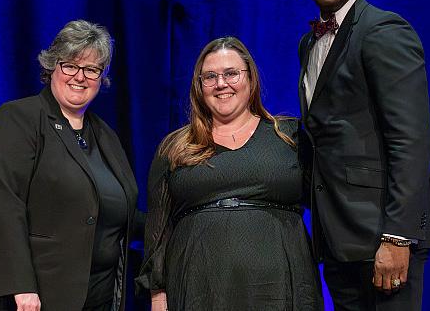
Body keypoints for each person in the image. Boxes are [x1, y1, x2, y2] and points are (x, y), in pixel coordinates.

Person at [296, 0, 430, 311]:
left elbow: (410, 139)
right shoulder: (309, 43)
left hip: (383, 232)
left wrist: (397, 237)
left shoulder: (382, 30)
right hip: (338, 237)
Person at [0, 20, 141, 311]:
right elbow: (2, 202)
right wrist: (21, 286)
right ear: (52, 66)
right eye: (70, 65)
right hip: (26, 299)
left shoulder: (105, 135)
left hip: (93, 297)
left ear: (101, 78)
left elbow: (119, 212)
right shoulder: (19, 118)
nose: (80, 77)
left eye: (91, 69)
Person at [137, 37, 322, 310]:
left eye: (231, 74)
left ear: (251, 79)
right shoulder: (175, 147)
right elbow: (158, 230)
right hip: (199, 289)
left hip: (281, 287)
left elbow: (325, 201)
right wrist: (158, 295)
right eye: (209, 77)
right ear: (199, 87)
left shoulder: (289, 136)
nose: (221, 83)